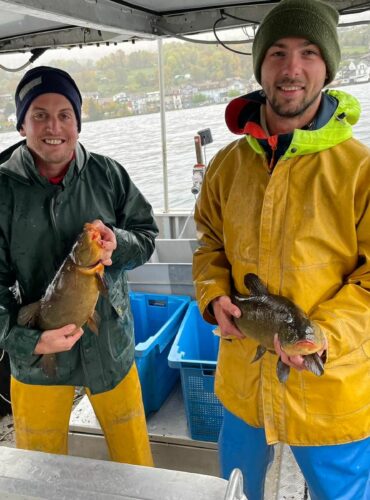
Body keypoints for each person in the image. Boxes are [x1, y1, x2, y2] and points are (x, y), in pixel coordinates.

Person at [192, 0, 370, 499]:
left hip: (332, 382)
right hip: (243, 380)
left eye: (309, 52)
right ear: (260, 66)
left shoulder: (360, 169)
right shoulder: (226, 166)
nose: (292, 69)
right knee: (236, 489)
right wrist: (213, 297)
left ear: (327, 67)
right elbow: (208, 244)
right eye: (277, 53)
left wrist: (318, 335)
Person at [0, 66, 158, 465]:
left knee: (136, 461)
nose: (54, 126)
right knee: (38, 469)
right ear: (21, 125)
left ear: (78, 123)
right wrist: (28, 342)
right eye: (39, 115)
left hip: (109, 347)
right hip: (36, 355)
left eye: (64, 114)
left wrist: (116, 245)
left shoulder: (109, 174)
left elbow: (146, 237)